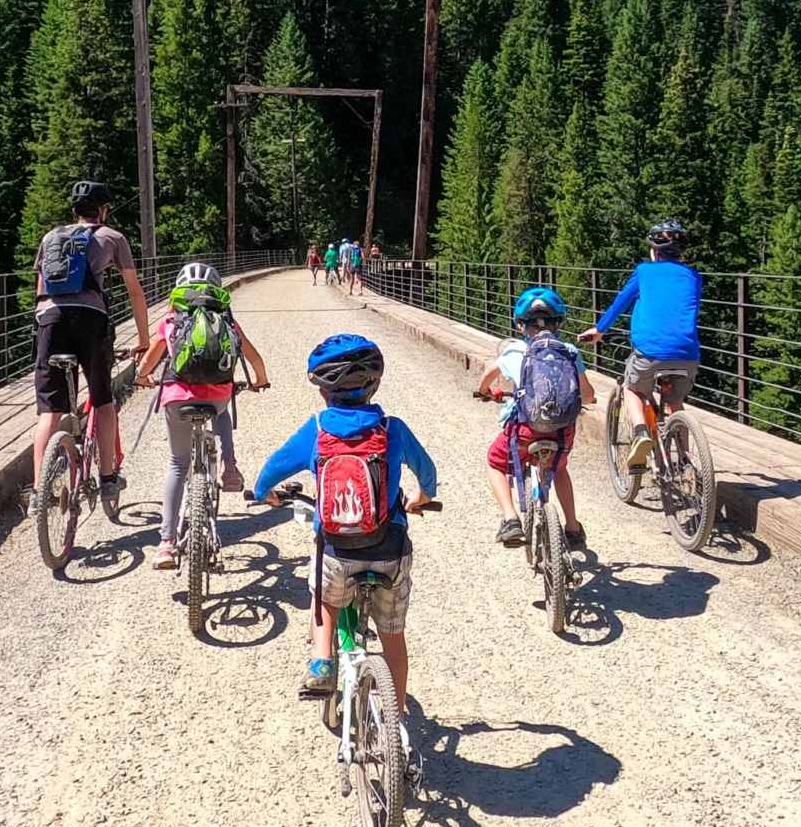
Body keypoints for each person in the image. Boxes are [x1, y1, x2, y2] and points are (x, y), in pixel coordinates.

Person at [250, 335, 436, 722]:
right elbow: (427, 472)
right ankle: (396, 717)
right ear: (375, 384)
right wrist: (421, 497)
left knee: (323, 598)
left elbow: (271, 472)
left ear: (323, 390)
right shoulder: (392, 429)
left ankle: (321, 662)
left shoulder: (316, 430)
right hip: (389, 550)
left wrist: (266, 493)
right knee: (393, 639)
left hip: (338, 551)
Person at [133, 262, 270, 570]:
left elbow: (147, 364)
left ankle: (166, 544)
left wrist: (143, 378)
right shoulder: (227, 320)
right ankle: (229, 465)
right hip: (218, 399)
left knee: (178, 464)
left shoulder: (172, 320)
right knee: (223, 400)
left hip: (176, 399)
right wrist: (260, 381)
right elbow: (255, 359)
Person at [32, 181, 149, 499]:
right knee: (103, 401)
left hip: (49, 321)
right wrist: (142, 339)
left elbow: (41, 288)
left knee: (49, 413)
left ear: (75, 211)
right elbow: (134, 291)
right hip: (89, 320)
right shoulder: (113, 237)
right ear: (103, 210)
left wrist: (43, 327)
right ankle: (108, 478)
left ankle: (39, 493)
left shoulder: (50, 237)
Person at [578, 218, 702, 471]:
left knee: (633, 389)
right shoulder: (693, 276)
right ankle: (686, 458)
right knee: (673, 399)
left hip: (650, 351)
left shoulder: (644, 271)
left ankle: (641, 433)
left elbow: (621, 302)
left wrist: (600, 329)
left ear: (654, 250)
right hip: (687, 353)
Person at [479, 287, 595, 547]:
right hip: (562, 432)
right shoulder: (570, 351)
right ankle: (573, 528)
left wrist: (487, 391)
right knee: (560, 468)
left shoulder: (514, 351)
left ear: (521, 325)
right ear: (559, 323)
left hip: (524, 431)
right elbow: (587, 395)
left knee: (495, 462)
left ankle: (510, 519)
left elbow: (486, 379)